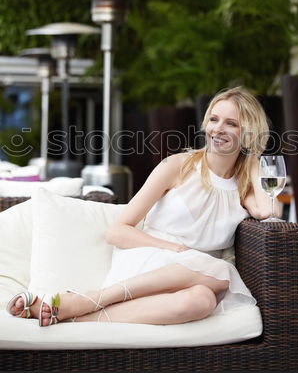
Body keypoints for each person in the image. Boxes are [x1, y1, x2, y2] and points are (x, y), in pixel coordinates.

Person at [7, 86, 281, 327]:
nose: (218, 129)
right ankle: (92, 299)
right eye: (214, 119)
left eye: (231, 123)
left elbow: (269, 212)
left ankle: (79, 316)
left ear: (248, 132)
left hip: (196, 279)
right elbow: (117, 231)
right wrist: (174, 249)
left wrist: (255, 161)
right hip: (149, 262)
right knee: (223, 272)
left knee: (202, 301)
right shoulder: (177, 166)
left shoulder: (242, 183)